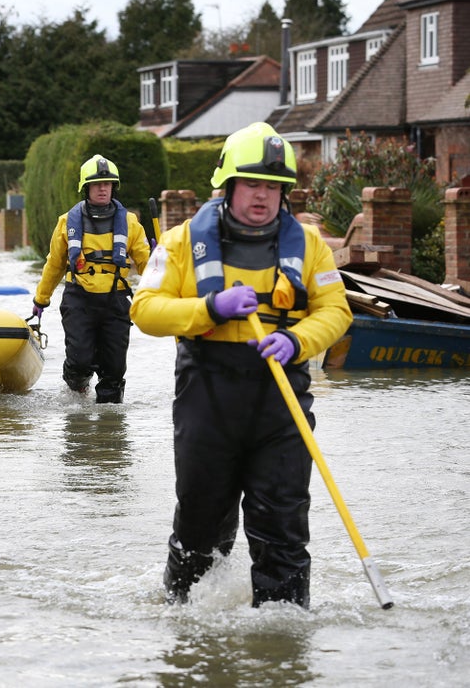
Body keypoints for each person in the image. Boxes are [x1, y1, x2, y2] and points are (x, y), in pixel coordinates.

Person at [129, 122, 352, 608]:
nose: (263, 196)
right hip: (207, 398)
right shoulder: (181, 241)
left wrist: (296, 340)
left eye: (274, 187)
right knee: (200, 526)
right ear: (227, 185)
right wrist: (210, 309)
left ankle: (283, 635)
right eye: (252, 183)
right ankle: (185, 622)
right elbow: (144, 309)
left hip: (281, 401)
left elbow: (337, 311)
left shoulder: (310, 246)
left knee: (284, 529)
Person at [31, 154, 150, 404]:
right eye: (97, 184)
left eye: (107, 183)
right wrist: (41, 300)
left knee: (114, 370)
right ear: (86, 188)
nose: (103, 188)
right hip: (79, 299)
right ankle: (77, 388)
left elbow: (146, 263)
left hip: (115, 301)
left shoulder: (130, 223)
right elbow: (54, 264)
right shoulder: (66, 222)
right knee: (80, 361)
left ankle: (109, 428)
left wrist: (160, 267)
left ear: (113, 187)